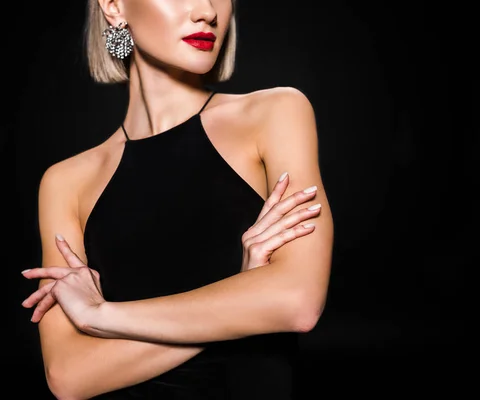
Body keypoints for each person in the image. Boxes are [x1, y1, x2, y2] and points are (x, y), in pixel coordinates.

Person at [21, 0, 334, 398]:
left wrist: (102, 316)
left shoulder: (274, 114)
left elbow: (296, 301)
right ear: (114, 7)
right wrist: (244, 294)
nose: (207, 11)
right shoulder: (67, 181)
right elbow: (69, 376)